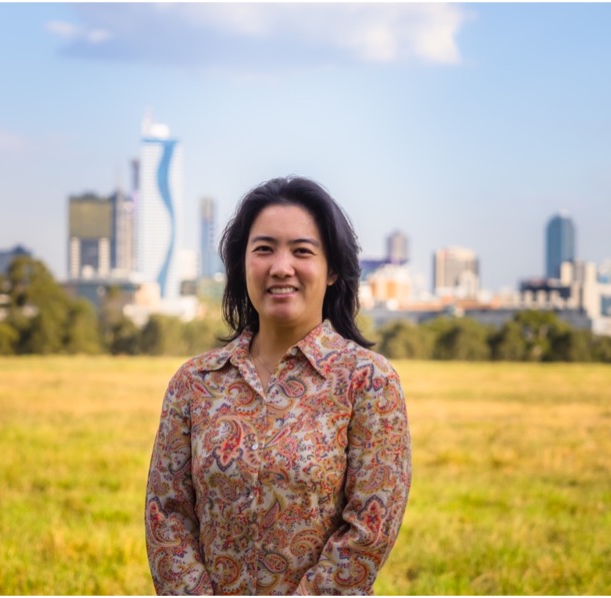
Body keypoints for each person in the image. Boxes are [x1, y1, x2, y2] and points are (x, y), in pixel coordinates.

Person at [145, 176, 412, 595]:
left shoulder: (368, 382)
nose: (281, 267)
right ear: (242, 264)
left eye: (302, 251)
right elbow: (166, 513)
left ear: (332, 270)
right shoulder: (194, 383)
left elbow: (369, 528)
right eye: (264, 249)